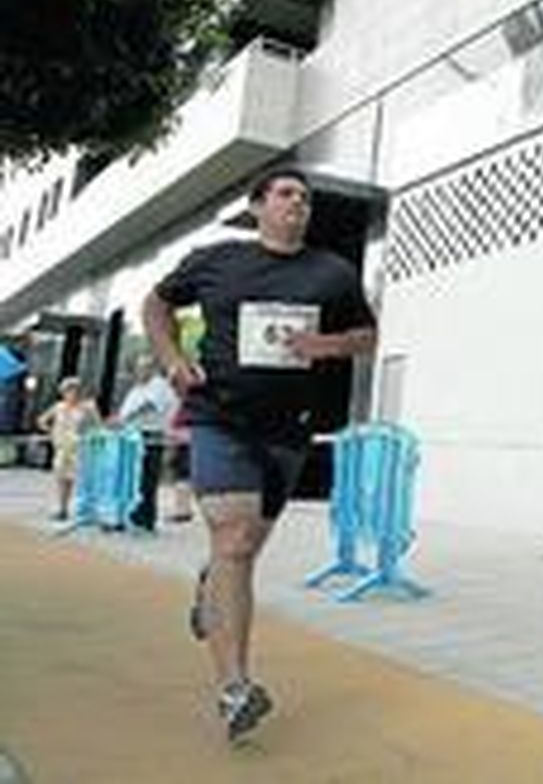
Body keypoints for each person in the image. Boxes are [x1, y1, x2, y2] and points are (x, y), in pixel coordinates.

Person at [143, 166, 376, 742]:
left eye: (305, 196)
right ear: (258, 206)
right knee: (236, 542)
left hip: (289, 432)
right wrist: (172, 360)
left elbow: (367, 336)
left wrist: (328, 345)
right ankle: (235, 688)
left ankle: (210, 584)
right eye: (286, 194)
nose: (299, 203)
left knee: (242, 551)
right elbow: (155, 304)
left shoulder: (333, 272)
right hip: (219, 418)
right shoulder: (217, 260)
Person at [114, 356, 178, 531]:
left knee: (146, 478)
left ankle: (145, 516)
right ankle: (132, 513)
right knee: (133, 477)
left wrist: (127, 417)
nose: (139, 371)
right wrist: (119, 420)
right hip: (132, 434)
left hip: (149, 435)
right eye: (137, 368)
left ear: (151, 369)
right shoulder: (137, 388)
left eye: (143, 368)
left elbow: (150, 405)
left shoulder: (158, 385)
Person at [37, 377, 101, 520]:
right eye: (68, 390)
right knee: (62, 478)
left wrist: (88, 436)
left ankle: (87, 509)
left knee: (81, 479)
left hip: (80, 447)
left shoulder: (87, 407)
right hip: (62, 447)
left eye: (75, 390)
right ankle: (63, 508)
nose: (72, 394)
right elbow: (41, 420)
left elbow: (97, 426)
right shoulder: (59, 407)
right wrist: (51, 430)